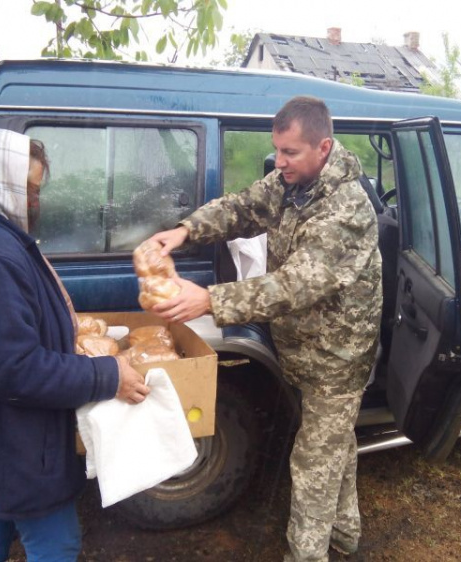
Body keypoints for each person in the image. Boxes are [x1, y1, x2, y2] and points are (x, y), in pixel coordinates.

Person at [147, 96, 382, 562]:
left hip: (337, 356)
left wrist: (210, 299)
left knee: (315, 460)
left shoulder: (345, 210)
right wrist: (185, 230)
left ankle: (308, 555)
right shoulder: (292, 183)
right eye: (277, 150)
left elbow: (296, 284)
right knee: (335, 443)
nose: (280, 161)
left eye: (291, 152)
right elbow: (242, 207)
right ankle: (346, 533)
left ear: (324, 148)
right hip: (301, 346)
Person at [0, 128, 149, 561]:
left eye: (37, 190)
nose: (33, 202)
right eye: (25, 189)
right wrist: (107, 374)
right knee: (55, 544)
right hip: (13, 445)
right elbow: (12, 370)